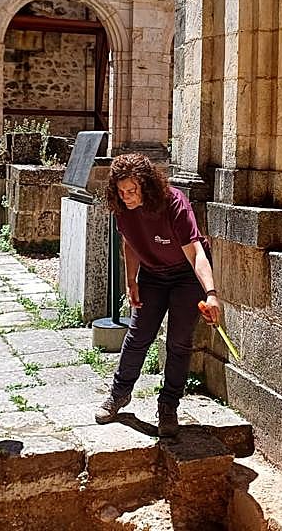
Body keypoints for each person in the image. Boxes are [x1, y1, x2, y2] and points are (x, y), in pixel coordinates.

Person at [94, 153, 221, 438]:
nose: (126, 197)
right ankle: (119, 394)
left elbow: (196, 252)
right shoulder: (122, 208)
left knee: (178, 341)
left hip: (185, 275)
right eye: (121, 191)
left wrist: (211, 294)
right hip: (152, 274)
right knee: (138, 335)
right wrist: (131, 281)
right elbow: (129, 243)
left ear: (147, 186)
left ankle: (168, 406)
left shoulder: (174, 204)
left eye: (132, 191)